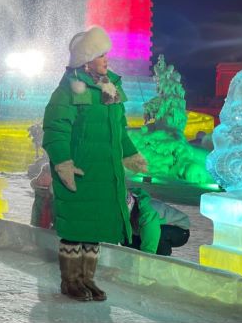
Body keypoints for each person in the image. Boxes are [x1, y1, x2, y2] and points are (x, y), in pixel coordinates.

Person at [42, 25, 149, 302]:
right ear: (86, 59)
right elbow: (56, 129)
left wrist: (130, 153)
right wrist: (63, 163)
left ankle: (88, 279)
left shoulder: (110, 89)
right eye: (101, 54)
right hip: (78, 172)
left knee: (95, 228)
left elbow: (119, 130)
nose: (107, 59)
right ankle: (71, 281)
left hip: (105, 173)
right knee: (76, 228)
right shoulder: (68, 90)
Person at [125, 188, 191, 256]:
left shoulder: (147, 214)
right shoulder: (126, 204)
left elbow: (149, 248)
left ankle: (162, 261)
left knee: (158, 237)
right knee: (127, 240)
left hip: (180, 231)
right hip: (148, 227)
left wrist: (146, 260)